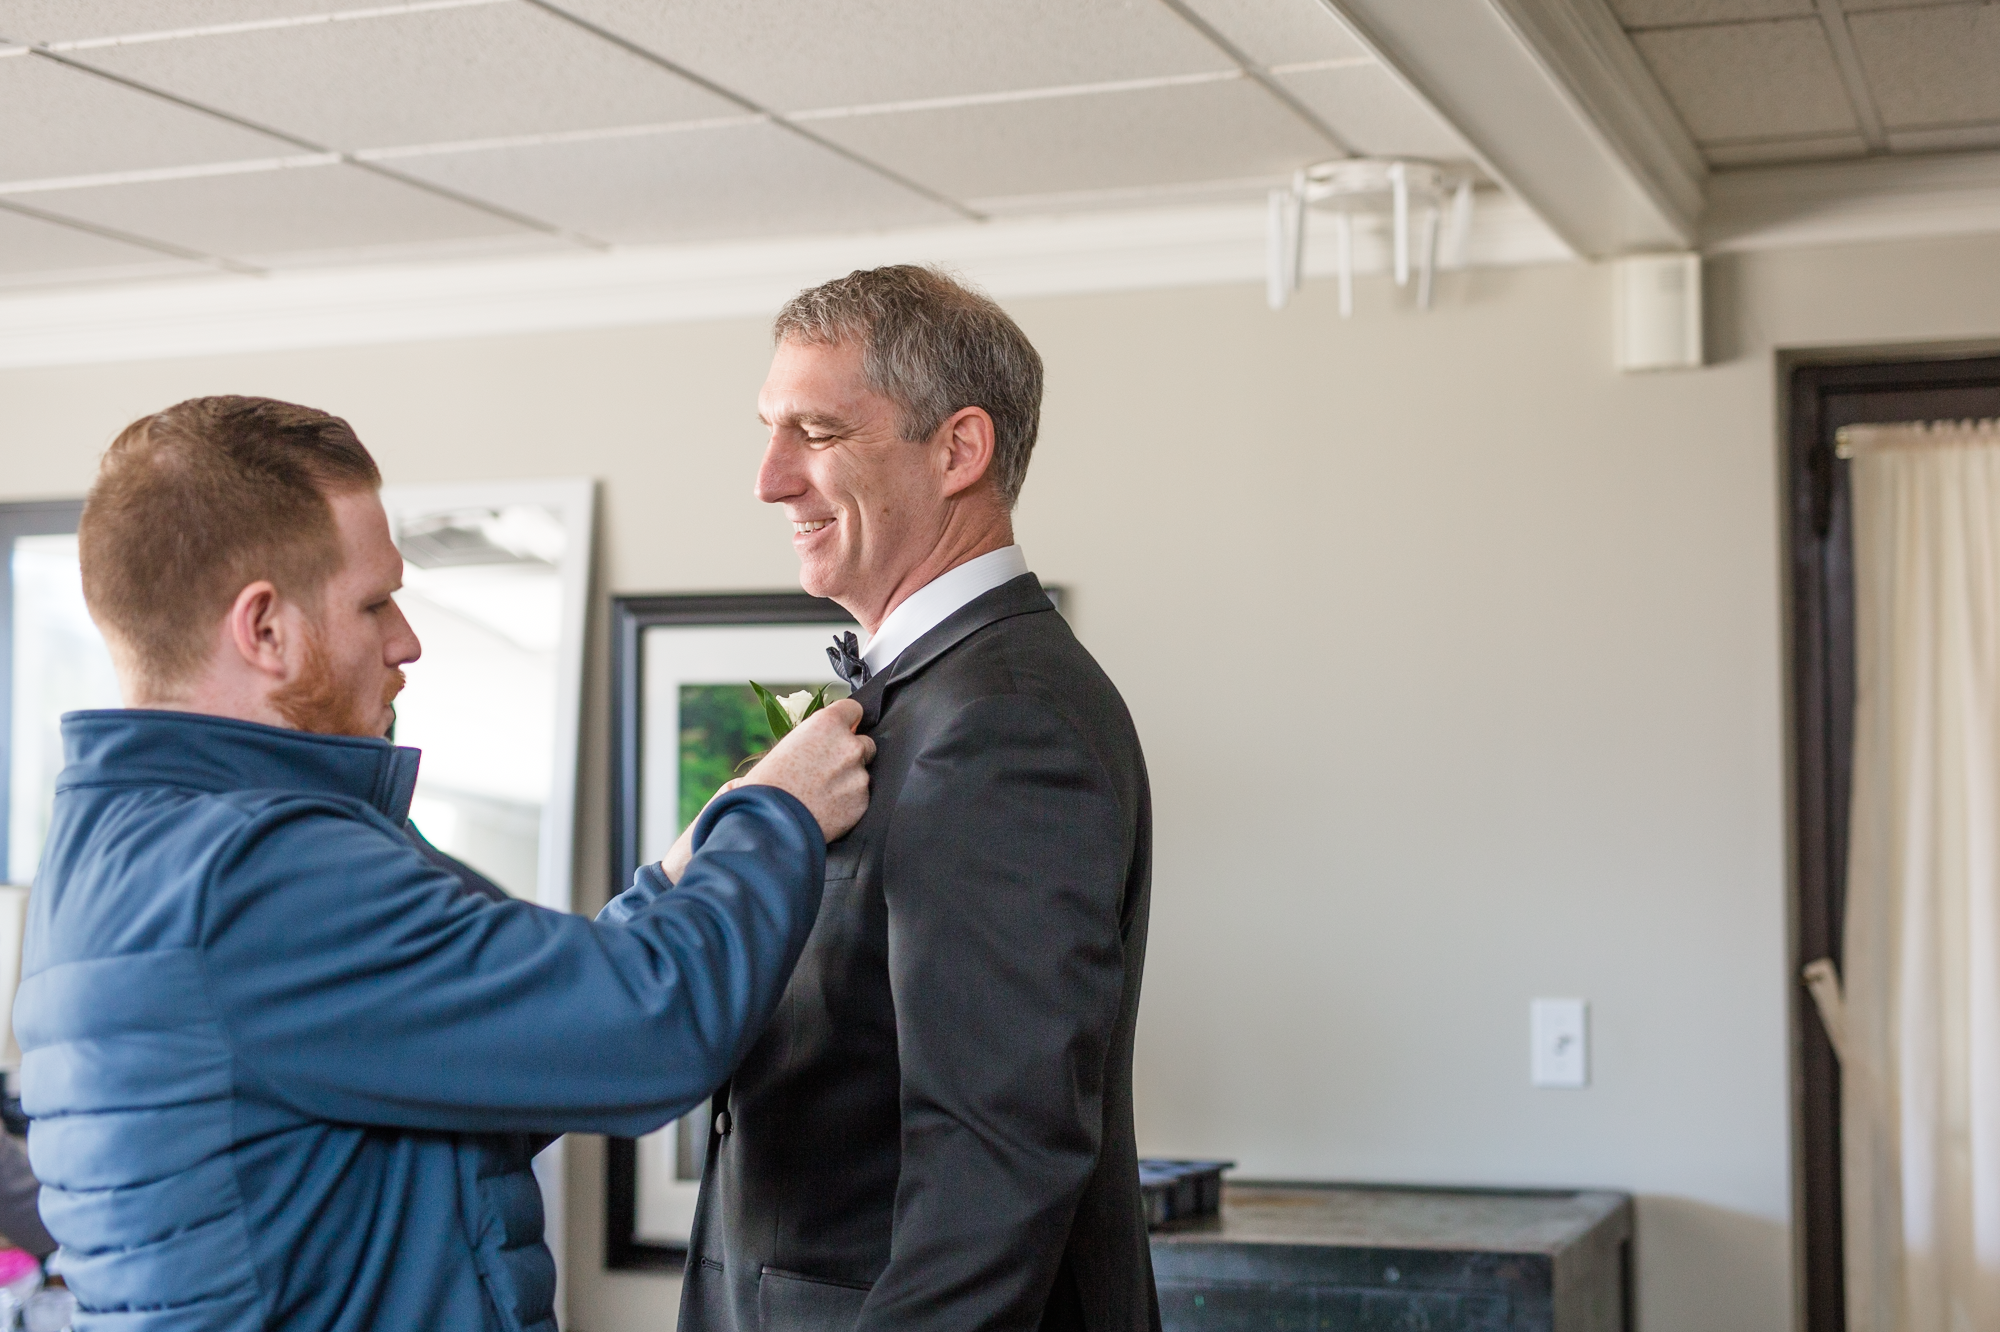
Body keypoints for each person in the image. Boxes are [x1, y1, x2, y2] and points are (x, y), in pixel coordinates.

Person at [17, 396, 873, 1332]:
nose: (405, 640)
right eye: (374, 601)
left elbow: (511, 1049)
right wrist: (777, 813)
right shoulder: (254, 872)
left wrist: (690, 866)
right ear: (262, 629)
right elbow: (651, 1030)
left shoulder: (129, 851)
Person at [677, 266, 1157, 1332]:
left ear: (957, 450)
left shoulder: (1004, 721)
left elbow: (998, 1159)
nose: (768, 479)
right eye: (769, 430)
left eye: (815, 431)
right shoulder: (933, 697)